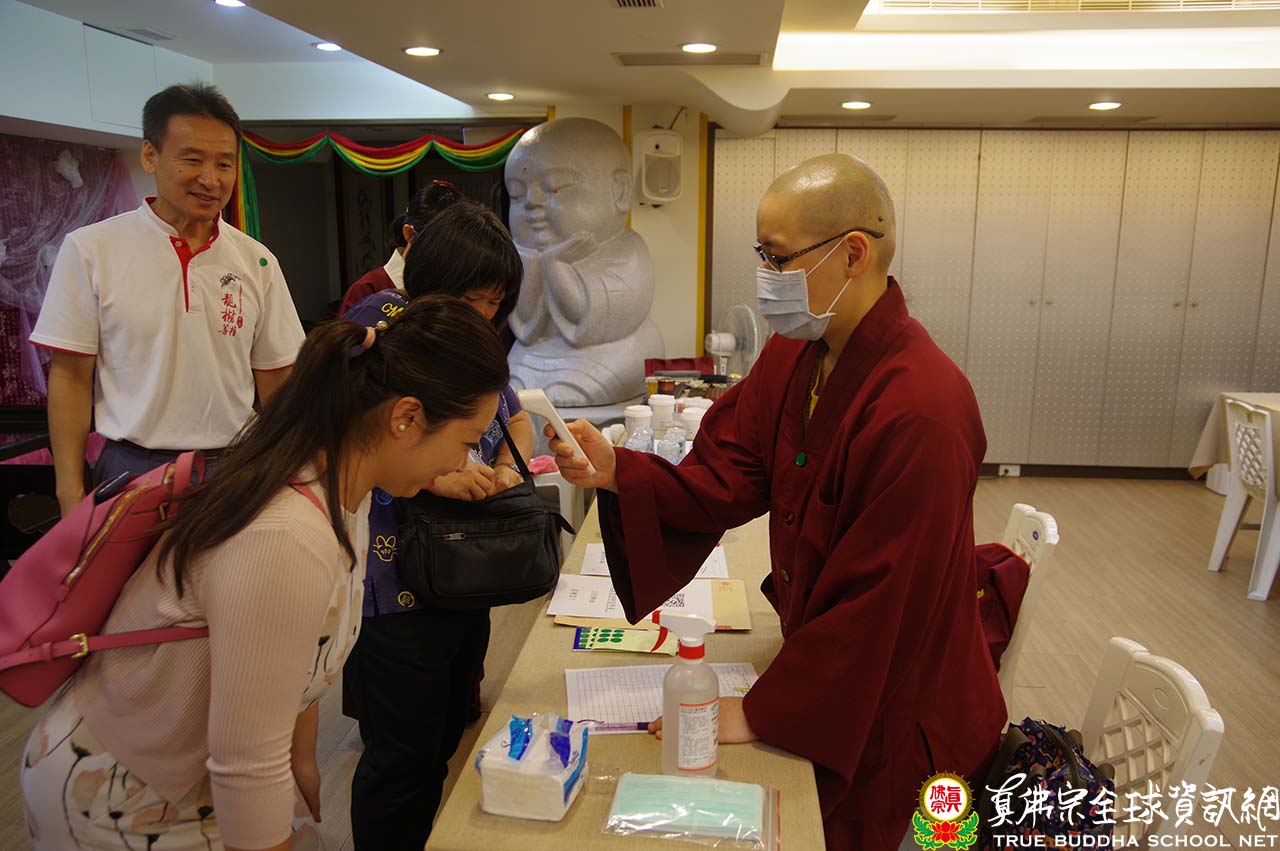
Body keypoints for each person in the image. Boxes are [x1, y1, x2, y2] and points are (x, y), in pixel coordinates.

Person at [547, 153, 1007, 850]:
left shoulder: (924, 409)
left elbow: (880, 602)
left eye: (779, 257)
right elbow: (731, 468)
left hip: (897, 707)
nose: (766, 276)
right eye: (761, 254)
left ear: (853, 253)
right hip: (828, 668)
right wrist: (621, 473)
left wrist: (766, 711)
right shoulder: (799, 351)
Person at [19, 295, 510, 851]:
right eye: (465, 442)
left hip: (188, 772)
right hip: (121, 791)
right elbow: (246, 767)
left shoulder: (345, 487)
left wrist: (301, 761)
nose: (463, 462)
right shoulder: (285, 537)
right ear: (406, 417)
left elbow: (292, 660)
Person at [341, 200, 533, 851]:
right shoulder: (381, 327)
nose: (483, 315)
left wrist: (502, 466)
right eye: (474, 298)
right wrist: (438, 473)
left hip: (460, 574)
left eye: (495, 303)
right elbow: (351, 437)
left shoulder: (470, 343)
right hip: (394, 583)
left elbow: (514, 416)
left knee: (448, 728)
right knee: (401, 757)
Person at [30, 83, 305, 516]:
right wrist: (69, 492)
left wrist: (293, 475)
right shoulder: (91, 250)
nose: (210, 179)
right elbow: (71, 378)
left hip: (234, 466)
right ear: (149, 156)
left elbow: (279, 381)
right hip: (130, 467)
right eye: (192, 159)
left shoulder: (257, 261)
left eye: (224, 164)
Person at [504, 117, 664, 406]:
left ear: (619, 192)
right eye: (516, 194)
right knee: (515, 380)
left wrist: (555, 267)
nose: (531, 202)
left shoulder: (628, 252)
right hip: (533, 354)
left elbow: (598, 319)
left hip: (607, 351)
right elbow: (525, 322)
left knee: (589, 381)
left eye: (554, 188)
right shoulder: (521, 255)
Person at [337, 179, 464, 316]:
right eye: (441, 243)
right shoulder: (368, 289)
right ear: (409, 234)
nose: (449, 256)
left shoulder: (460, 289)